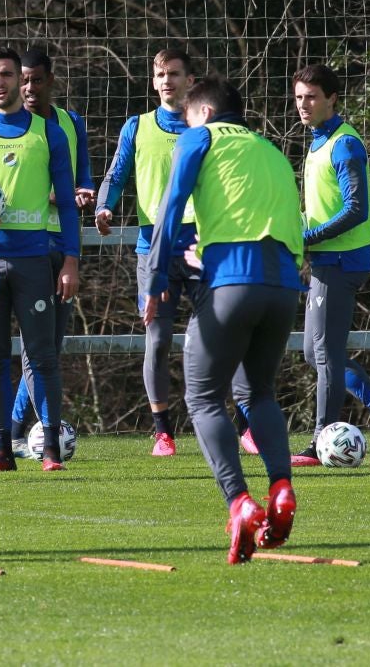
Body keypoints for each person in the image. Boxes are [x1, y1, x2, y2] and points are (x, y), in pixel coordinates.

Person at [144, 75, 302, 564]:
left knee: (203, 395)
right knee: (259, 392)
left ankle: (239, 502)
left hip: (234, 282)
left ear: (205, 114)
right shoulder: (272, 150)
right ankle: (279, 487)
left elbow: (172, 205)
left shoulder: (198, 137)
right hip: (285, 287)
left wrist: (154, 276)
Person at [0, 47, 80, 472]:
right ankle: (3, 450)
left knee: (41, 355)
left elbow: (70, 206)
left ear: (18, 79)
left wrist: (71, 261)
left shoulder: (49, 133)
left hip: (33, 261)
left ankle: (50, 450)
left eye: (7, 74)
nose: (0, 82)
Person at [283, 65, 370, 466]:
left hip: (341, 261)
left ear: (332, 98)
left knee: (323, 353)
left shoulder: (344, 144)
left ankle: (322, 439)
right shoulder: (317, 141)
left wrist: (307, 237)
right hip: (327, 260)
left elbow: (356, 210)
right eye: (300, 97)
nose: (304, 105)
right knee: (315, 352)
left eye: (312, 97)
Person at [94, 49, 199, 456]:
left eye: (174, 74)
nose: (166, 81)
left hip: (200, 244)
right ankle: (163, 432)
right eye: (159, 74)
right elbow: (116, 174)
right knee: (157, 339)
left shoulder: (205, 126)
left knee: (216, 336)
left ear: (191, 81)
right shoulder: (136, 127)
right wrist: (105, 205)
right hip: (152, 247)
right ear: (152, 81)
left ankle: (242, 424)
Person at [7, 48, 94, 453]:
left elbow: (83, 179)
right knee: (28, 348)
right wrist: (55, 195)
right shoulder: (7, 129)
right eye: (22, 80)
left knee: (49, 348)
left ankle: (27, 430)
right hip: (27, 248)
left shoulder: (70, 124)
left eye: (35, 80)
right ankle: (18, 429)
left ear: (50, 81)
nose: (28, 88)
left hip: (63, 246)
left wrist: (85, 195)